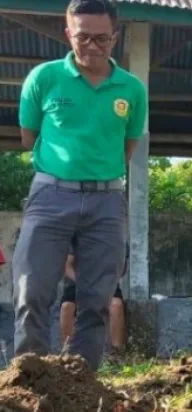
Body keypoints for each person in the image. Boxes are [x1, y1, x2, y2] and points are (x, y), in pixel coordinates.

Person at [13, 0, 147, 371]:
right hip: (50, 194)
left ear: (115, 38)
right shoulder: (44, 78)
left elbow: (128, 147)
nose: (92, 46)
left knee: (97, 298)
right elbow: (29, 136)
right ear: (68, 33)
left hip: (107, 200)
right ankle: (30, 379)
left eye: (101, 39)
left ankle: (79, 382)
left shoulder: (132, 89)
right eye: (83, 37)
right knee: (31, 289)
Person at [59, 242, 127, 354]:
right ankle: (68, 353)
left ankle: (117, 353)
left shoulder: (115, 235)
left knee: (116, 305)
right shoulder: (75, 237)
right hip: (77, 283)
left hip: (106, 282)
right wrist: (84, 282)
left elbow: (121, 268)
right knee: (67, 307)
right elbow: (67, 266)